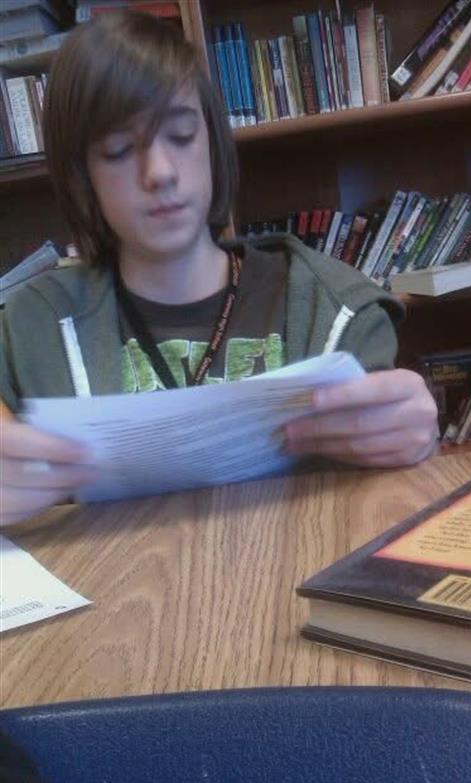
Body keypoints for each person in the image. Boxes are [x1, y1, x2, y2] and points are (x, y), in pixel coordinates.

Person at [0, 12, 438, 527]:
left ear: (212, 141)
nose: (159, 173)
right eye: (118, 151)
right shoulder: (31, 326)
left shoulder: (333, 306)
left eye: (182, 136)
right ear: (81, 176)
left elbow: (389, 496)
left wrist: (415, 436)